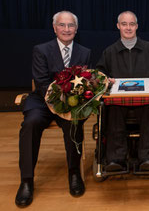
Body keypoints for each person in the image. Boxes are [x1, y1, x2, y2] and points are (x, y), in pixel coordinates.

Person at [15, 11, 91, 207]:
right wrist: (59, 101)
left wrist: (71, 103)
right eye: (62, 25)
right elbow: (40, 83)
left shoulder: (84, 52)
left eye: (71, 25)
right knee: (30, 125)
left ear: (76, 29)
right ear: (55, 28)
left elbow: (84, 83)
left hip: (70, 103)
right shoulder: (41, 50)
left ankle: (74, 173)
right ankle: (26, 181)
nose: (67, 29)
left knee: (74, 123)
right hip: (42, 101)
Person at [96, 11, 149, 172]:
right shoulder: (109, 52)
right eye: (124, 24)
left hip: (145, 101)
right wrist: (106, 81)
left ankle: (148, 158)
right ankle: (116, 159)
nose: (128, 28)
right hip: (118, 102)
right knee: (113, 109)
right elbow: (99, 75)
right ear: (118, 26)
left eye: (132, 24)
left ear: (137, 26)